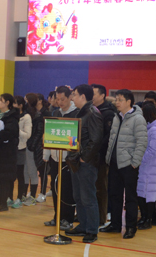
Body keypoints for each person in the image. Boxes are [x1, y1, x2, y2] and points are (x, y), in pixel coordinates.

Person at [101, 89, 147, 239]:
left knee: (131, 198)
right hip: (114, 163)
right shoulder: (117, 117)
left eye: (120, 100)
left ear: (129, 101)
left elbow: (142, 142)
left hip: (128, 165)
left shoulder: (138, 119)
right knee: (115, 195)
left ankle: (131, 227)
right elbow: (111, 139)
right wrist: (108, 158)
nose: (117, 102)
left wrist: (135, 162)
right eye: (116, 99)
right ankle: (115, 224)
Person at [62, 85, 103, 243]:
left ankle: (92, 230)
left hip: (86, 162)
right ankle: (83, 225)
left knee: (88, 197)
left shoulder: (93, 113)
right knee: (78, 196)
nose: (72, 98)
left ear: (83, 96)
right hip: (76, 161)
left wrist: (84, 157)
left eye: (74, 94)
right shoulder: (81, 112)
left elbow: (96, 139)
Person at [42, 86, 78, 230]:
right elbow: (49, 134)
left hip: (68, 159)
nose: (60, 102)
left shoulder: (76, 113)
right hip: (55, 158)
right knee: (55, 189)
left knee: (67, 191)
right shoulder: (55, 112)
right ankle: (57, 217)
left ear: (70, 97)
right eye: (57, 99)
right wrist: (46, 154)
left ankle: (68, 219)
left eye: (63, 99)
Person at [0, 93, 19, 211]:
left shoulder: (12, 117)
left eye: (1, 100)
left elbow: (8, 132)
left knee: (4, 178)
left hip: (7, 153)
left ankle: (3, 203)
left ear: (7, 103)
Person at [138, 102, 156, 230]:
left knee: (148, 195)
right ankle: (144, 217)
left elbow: (152, 150)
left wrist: (140, 159)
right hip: (146, 167)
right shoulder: (151, 128)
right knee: (142, 194)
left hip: (149, 167)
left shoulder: (155, 130)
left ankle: (148, 219)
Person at [92, 84, 116, 227]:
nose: (91, 96)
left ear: (102, 96)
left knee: (100, 187)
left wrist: (95, 147)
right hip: (89, 155)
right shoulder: (90, 109)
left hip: (101, 156)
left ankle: (101, 218)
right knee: (89, 187)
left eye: (94, 93)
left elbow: (108, 136)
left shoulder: (108, 113)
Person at [17, 95, 39, 206]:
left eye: (26, 99)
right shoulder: (23, 114)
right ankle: (23, 194)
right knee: (24, 171)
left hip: (31, 147)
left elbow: (37, 133)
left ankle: (33, 196)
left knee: (32, 171)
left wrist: (32, 146)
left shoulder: (35, 115)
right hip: (23, 147)